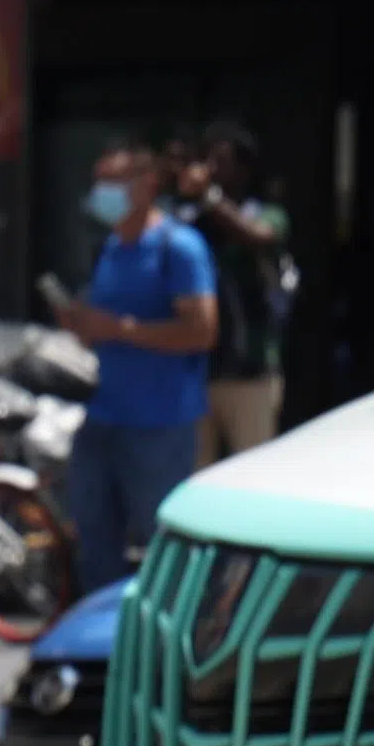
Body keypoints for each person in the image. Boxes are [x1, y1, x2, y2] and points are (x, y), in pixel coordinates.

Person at [47, 138, 220, 600]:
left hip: (160, 426)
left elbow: (201, 331)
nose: (102, 192)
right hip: (103, 418)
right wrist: (84, 325)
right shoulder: (110, 248)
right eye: (98, 181)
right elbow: (104, 327)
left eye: (113, 181)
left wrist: (120, 329)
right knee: (95, 547)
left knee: (166, 550)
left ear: (146, 184)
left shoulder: (178, 247)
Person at [176, 126, 292, 459]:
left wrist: (209, 198)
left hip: (250, 371)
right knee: (195, 475)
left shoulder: (267, 214)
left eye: (221, 162)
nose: (211, 170)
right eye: (207, 161)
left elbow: (258, 236)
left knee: (251, 469)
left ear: (243, 170)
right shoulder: (188, 221)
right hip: (197, 372)